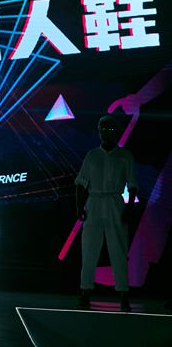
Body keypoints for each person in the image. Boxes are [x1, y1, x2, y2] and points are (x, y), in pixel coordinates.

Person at [75, 115, 138, 311]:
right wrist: (79, 207)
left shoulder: (125, 156)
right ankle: (85, 291)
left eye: (109, 129)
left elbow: (132, 185)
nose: (105, 132)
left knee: (118, 249)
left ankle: (124, 294)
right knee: (89, 249)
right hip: (94, 202)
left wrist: (128, 209)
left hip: (115, 202)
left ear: (115, 132)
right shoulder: (92, 155)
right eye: (102, 129)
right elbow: (81, 183)